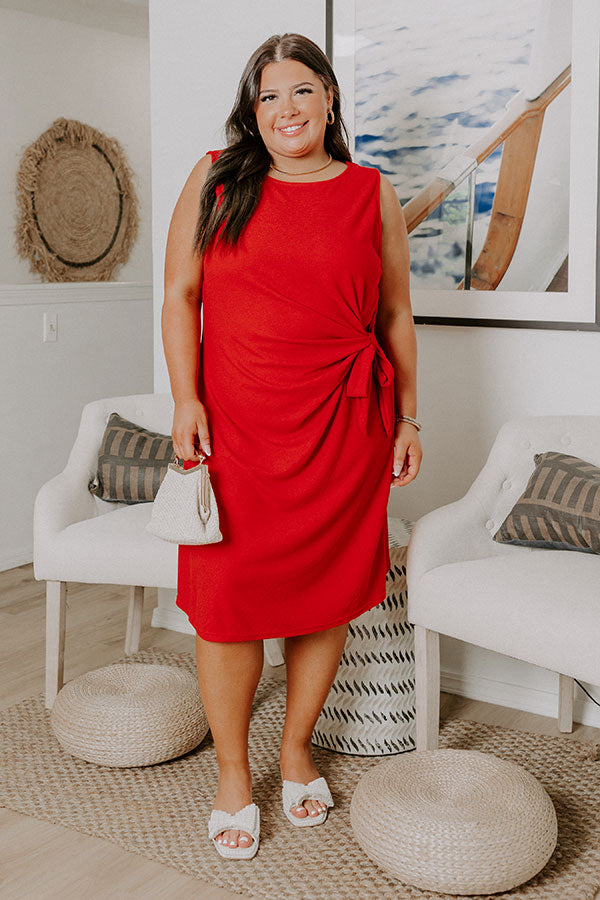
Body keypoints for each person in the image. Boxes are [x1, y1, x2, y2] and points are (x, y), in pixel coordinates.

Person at [161, 32, 422, 859]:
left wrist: (409, 418)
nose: (286, 110)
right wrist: (185, 398)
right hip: (236, 427)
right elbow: (179, 293)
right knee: (227, 603)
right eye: (269, 96)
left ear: (329, 98)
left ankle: (297, 750)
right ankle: (234, 774)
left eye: (301, 90)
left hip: (345, 426)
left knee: (326, 594)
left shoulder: (371, 192)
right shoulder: (216, 178)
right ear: (253, 110)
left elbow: (395, 313)